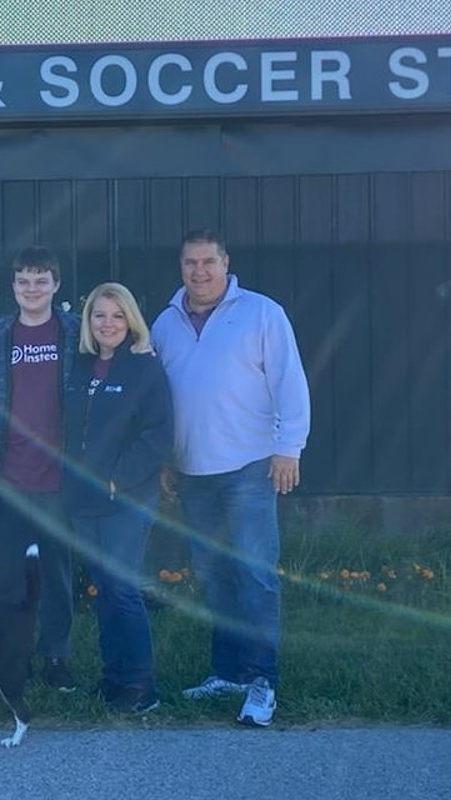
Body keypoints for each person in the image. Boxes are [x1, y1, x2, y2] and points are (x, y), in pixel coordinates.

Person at [151, 229, 310, 728]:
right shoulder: (164, 324)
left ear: (226, 264)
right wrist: (165, 460)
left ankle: (263, 680)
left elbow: (290, 381)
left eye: (208, 262)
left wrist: (289, 448)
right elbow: (159, 401)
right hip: (193, 473)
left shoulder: (263, 314)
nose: (200, 272)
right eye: (190, 264)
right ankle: (228, 671)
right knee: (212, 573)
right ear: (181, 268)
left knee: (257, 575)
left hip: (249, 468)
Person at [0, 245, 81, 692]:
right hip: (8, 480)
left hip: (59, 483)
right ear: (13, 287)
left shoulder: (75, 334)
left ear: (55, 285)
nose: (32, 289)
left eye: (41, 280)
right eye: (23, 281)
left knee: (56, 577)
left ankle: (56, 658)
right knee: (11, 582)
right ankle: (14, 659)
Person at [62, 282, 173, 714]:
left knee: (122, 587)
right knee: (103, 588)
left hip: (126, 496)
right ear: (88, 321)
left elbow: (158, 435)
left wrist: (118, 478)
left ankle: (143, 685)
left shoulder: (145, 370)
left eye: (116, 315)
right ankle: (114, 678)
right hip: (83, 498)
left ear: (131, 321)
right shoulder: (80, 367)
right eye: (98, 315)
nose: (107, 324)